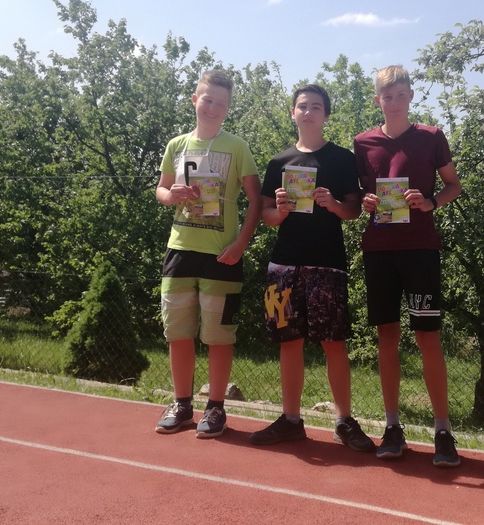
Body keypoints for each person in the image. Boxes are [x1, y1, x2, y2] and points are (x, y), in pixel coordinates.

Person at [248, 84, 375, 452]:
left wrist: (333, 204)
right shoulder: (278, 162)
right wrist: (279, 211)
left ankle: (344, 421)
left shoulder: (341, 159)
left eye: (316, 107)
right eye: (302, 106)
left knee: (334, 342)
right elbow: (267, 217)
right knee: (289, 342)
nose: (308, 112)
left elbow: (353, 211)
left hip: (327, 263)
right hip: (283, 264)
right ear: (293, 112)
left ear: (326, 115)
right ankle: (291, 420)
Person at [354, 65, 462, 467]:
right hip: (379, 252)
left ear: (411, 96)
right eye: (387, 96)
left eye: (401, 95)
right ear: (377, 100)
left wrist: (431, 202)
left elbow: (454, 185)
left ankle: (443, 431)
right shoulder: (362, 142)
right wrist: (366, 201)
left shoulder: (432, 136)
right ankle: (392, 427)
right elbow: (361, 194)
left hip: (420, 250)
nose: (394, 102)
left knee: (427, 336)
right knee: (387, 336)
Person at [154, 70, 262, 439]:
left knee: (219, 336)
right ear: (194, 100)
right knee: (178, 333)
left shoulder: (237, 147)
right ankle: (182, 404)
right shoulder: (176, 145)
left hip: (222, 256)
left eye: (221, 103)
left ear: (228, 108)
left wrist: (241, 244)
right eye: (208, 99)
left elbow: (256, 199)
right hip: (180, 251)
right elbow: (161, 190)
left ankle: (215, 408)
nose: (213, 108)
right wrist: (171, 196)